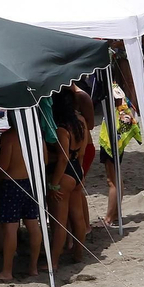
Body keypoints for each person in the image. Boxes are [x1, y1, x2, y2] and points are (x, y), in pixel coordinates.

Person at [0, 123, 42, 282]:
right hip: (30, 181)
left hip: (12, 183)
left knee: (10, 228)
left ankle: (7, 271)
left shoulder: (9, 137)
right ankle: (33, 267)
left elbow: (4, 166)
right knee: (33, 225)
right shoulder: (34, 133)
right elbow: (44, 159)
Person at [47, 87, 89, 264]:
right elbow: (82, 152)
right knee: (78, 217)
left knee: (60, 222)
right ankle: (79, 254)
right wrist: (80, 173)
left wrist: (54, 183)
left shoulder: (62, 129)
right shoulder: (81, 121)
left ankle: (54, 261)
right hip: (77, 168)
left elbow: (63, 158)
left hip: (64, 173)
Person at [97, 82, 143, 227]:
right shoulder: (117, 89)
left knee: (112, 181)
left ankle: (109, 218)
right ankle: (115, 214)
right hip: (117, 140)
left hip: (111, 140)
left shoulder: (110, 90)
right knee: (117, 178)